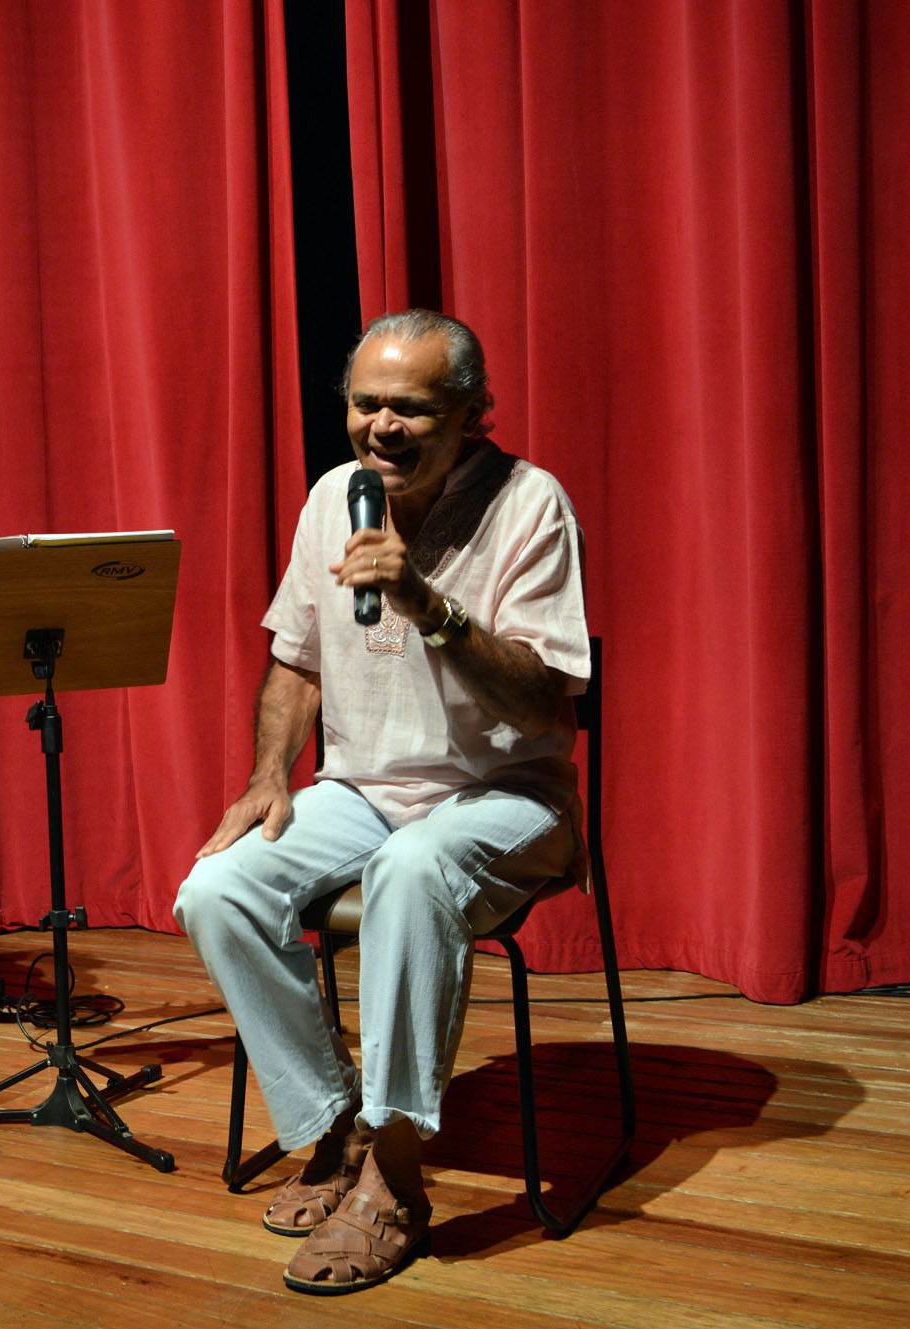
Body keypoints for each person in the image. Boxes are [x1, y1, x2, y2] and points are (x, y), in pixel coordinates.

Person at [173, 310, 590, 1293]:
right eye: (365, 404)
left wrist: (429, 607)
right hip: (361, 789)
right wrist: (266, 776)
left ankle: (394, 1180)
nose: (382, 427)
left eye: (410, 407)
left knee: (411, 871)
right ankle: (333, 1124)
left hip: (505, 794)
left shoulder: (530, 504)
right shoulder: (334, 497)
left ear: (473, 413)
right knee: (216, 890)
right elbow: (294, 659)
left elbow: (543, 701)